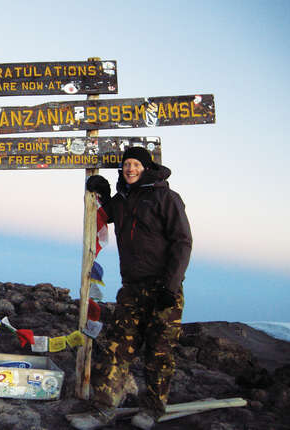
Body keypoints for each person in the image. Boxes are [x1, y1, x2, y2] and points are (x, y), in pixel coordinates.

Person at [86, 146, 192, 429]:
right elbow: (104, 215)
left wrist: (170, 287)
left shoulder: (166, 197)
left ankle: (152, 408)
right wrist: (102, 193)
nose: (130, 169)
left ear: (146, 167)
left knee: (159, 351)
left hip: (163, 288)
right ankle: (103, 408)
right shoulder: (123, 200)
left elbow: (182, 243)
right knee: (116, 348)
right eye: (126, 164)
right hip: (131, 288)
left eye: (135, 164)